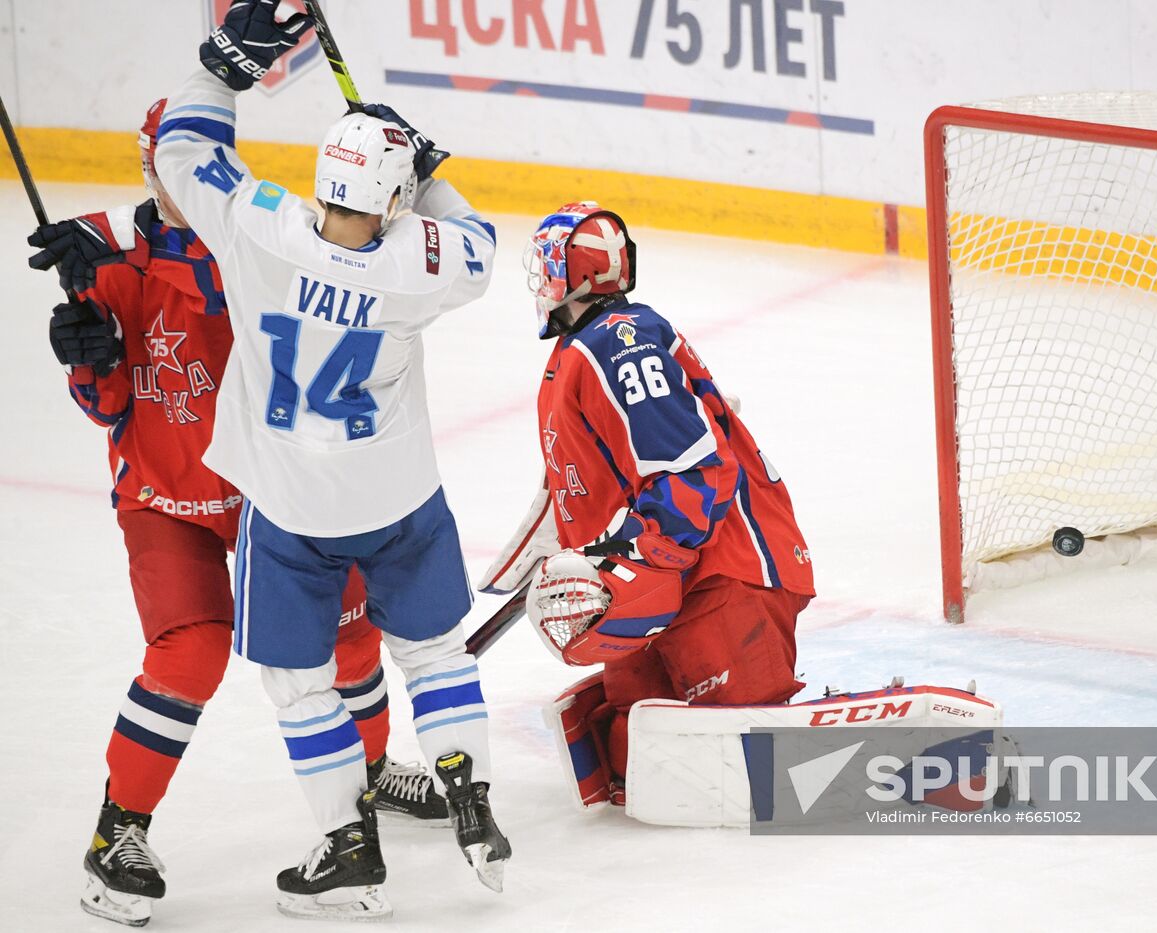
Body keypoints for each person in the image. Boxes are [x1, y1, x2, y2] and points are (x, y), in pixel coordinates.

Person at [27, 98, 450, 928]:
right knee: (191, 651)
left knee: (351, 631)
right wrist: (89, 359)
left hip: (270, 488)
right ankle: (119, 834)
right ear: (150, 170)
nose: (175, 185)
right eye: (162, 172)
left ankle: (365, 774)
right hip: (165, 496)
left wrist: (117, 236)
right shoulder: (107, 262)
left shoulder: (260, 241)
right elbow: (113, 406)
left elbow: (225, 283)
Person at [150, 1, 507, 918]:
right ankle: (470, 793)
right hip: (399, 495)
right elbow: (479, 246)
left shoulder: (259, 227)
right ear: (389, 200)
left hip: (295, 505)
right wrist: (425, 178)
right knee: (429, 649)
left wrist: (225, 70)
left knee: (300, 682)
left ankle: (350, 847)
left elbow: (182, 153)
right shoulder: (417, 263)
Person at [482, 201, 816, 804]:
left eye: (546, 265)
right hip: (664, 580)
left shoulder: (616, 345)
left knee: (757, 771)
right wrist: (559, 556)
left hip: (720, 573)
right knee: (636, 763)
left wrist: (627, 561)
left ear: (571, 275)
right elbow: (576, 483)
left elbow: (695, 474)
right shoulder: (575, 354)